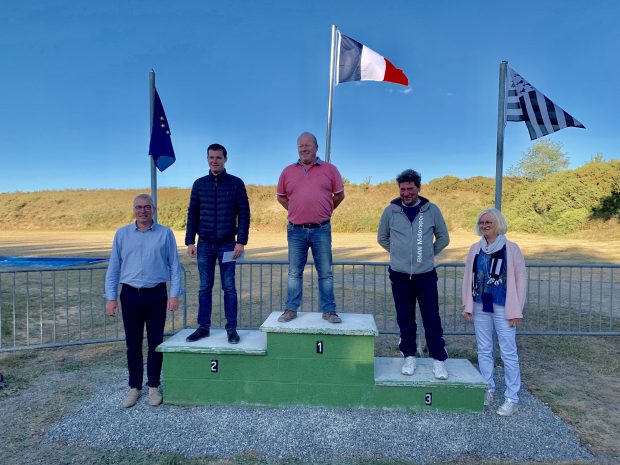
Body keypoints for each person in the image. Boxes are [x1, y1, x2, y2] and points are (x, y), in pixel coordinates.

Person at [105, 194, 182, 408]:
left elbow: (175, 266)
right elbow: (113, 268)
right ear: (134, 210)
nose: (143, 211)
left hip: (156, 294)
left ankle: (154, 387)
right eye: (139, 207)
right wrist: (111, 297)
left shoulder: (165, 234)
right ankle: (134, 387)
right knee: (133, 344)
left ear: (154, 210)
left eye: (147, 207)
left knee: (156, 343)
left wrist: (174, 294)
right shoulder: (122, 235)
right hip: (129, 295)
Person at [377, 169, 450, 379]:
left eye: (410, 188)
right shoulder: (390, 211)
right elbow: (382, 238)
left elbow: (443, 238)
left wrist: (427, 254)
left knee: (431, 318)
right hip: (399, 275)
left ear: (418, 188)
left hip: (425, 274)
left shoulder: (431, 210)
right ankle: (409, 356)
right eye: (403, 189)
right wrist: (399, 254)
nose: (406, 193)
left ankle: (438, 360)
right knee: (404, 318)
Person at [462, 208, 526, 416]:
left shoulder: (511, 248)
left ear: (498, 223)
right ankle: (487, 388)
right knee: (484, 349)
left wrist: (517, 310)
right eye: (481, 223)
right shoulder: (475, 249)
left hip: (504, 306)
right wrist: (468, 305)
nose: (485, 225)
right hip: (481, 304)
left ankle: (511, 397)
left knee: (508, 352)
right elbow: (468, 279)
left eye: (488, 222)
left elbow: (520, 279)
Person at [276, 132, 345, 323]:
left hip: (321, 230)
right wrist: (297, 210)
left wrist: (326, 210)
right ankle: (290, 310)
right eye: (300, 146)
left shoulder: (330, 170)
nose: (304, 149)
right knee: (294, 272)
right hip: (295, 230)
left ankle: (329, 311)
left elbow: (339, 195)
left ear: (316, 147)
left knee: (325, 272)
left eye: (307, 145)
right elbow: (281, 197)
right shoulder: (287, 171)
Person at [185, 143, 250, 344]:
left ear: (225, 159)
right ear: (207, 159)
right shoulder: (199, 184)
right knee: (205, 287)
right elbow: (192, 213)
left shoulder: (236, 183)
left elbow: (244, 214)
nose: (214, 161)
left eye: (218, 158)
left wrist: (241, 242)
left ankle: (231, 328)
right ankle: (203, 327)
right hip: (204, 244)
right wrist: (190, 241)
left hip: (228, 245)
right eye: (211, 158)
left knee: (229, 287)